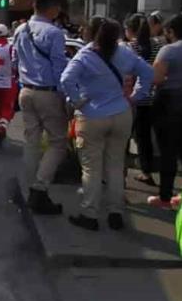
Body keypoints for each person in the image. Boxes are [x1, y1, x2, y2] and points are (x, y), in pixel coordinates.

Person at [61, 19, 154, 231]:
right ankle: (116, 213)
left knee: (91, 168)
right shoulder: (125, 52)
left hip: (92, 115)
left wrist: (77, 101)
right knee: (115, 165)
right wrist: (136, 96)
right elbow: (148, 73)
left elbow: (66, 79)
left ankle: (90, 213)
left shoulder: (85, 55)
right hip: (121, 113)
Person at [13, 0, 69, 215]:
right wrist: (67, 96)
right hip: (48, 93)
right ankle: (39, 188)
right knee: (58, 143)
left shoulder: (20, 29)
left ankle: (29, 188)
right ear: (54, 8)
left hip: (25, 91)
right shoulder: (54, 33)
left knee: (31, 141)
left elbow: (15, 60)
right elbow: (60, 68)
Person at [148, 14, 182, 209]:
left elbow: (156, 78)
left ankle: (165, 198)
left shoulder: (168, 51)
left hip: (170, 107)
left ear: (171, 32)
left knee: (168, 153)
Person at [123, 13, 162, 186]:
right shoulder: (157, 45)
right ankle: (147, 171)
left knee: (125, 137)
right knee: (144, 137)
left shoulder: (129, 47)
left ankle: (121, 174)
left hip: (132, 98)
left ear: (130, 30)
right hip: (151, 97)